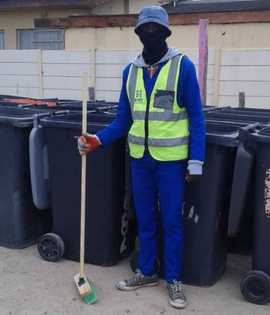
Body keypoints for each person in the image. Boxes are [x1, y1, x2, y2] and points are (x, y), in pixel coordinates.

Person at [77, 5, 205, 309]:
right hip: (140, 161)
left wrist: (195, 161)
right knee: (145, 219)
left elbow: (198, 119)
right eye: (144, 30)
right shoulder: (130, 72)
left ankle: (173, 279)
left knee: (171, 221)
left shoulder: (182, 67)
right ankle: (147, 271)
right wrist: (97, 140)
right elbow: (123, 120)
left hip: (172, 162)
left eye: (156, 30)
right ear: (137, 34)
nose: (150, 35)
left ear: (165, 33)